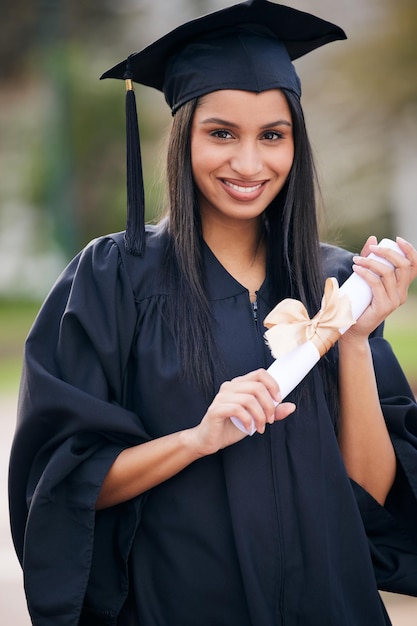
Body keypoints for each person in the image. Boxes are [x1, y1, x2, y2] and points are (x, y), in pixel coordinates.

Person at [8, 1, 417, 624]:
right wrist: (197, 439)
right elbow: (63, 484)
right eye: (221, 133)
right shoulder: (113, 281)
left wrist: (356, 341)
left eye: (272, 136)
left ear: (295, 144)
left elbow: (374, 493)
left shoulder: (334, 283)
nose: (249, 164)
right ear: (184, 137)